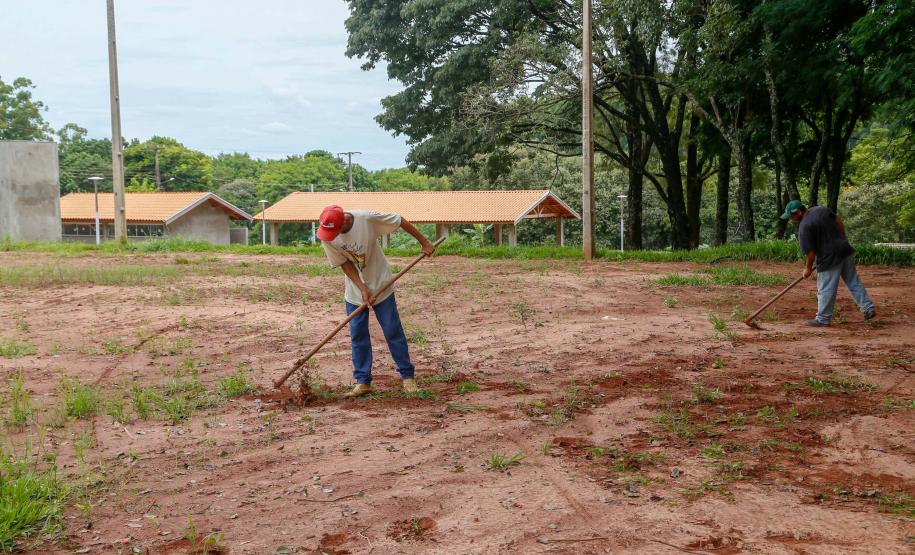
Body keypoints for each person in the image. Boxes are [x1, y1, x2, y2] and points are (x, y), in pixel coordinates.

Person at [317, 205, 436, 397]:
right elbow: (344, 263)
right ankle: (363, 381)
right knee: (358, 334)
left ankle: (407, 377)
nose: (331, 235)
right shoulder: (327, 235)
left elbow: (399, 220)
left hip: (381, 283)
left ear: (345, 221)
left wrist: (424, 242)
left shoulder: (366, 219)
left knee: (392, 330)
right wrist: (362, 288)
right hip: (355, 291)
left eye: (335, 231)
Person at [781, 199, 876, 326]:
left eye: (791, 216)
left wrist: (808, 268)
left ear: (798, 212)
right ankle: (868, 308)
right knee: (853, 281)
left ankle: (823, 319)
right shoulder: (820, 210)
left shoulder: (804, 227)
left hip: (829, 258)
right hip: (845, 250)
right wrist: (843, 239)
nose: (791, 219)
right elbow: (838, 220)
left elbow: (810, 252)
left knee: (825, 288)